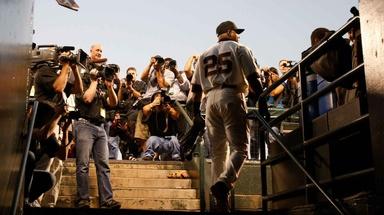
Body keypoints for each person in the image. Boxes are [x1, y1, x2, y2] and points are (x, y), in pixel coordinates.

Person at [189, 20, 263, 212]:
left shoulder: (204, 54)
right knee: (240, 148)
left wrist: (196, 112)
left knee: (219, 153)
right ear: (229, 32)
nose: (238, 35)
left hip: (210, 100)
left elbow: (196, 88)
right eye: (236, 32)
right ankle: (223, 183)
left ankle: (220, 203)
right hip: (232, 95)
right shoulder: (239, 47)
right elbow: (253, 77)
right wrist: (263, 102)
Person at [73, 43, 121, 209]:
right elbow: (86, 98)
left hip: (100, 128)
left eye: (102, 50)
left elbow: (112, 104)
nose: (100, 53)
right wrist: (94, 81)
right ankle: (83, 200)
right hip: (84, 124)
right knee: (83, 164)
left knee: (104, 166)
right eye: (97, 51)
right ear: (91, 53)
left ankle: (106, 201)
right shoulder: (84, 74)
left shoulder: (102, 80)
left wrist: (109, 87)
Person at [141, 90, 181, 161]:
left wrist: (169, 109)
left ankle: (176, 157)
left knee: (174, 140)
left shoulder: (169, 109)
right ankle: (148, 156)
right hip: (156, 139)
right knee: (151, 140)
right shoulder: (152, 111)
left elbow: (176, 116)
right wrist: (154, 103)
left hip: (169, 139)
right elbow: (145, 110)